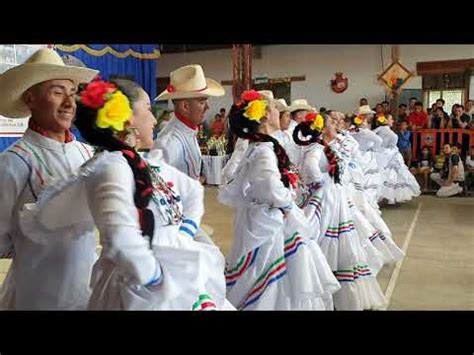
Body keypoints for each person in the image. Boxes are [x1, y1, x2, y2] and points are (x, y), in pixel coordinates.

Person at [20, 78, 234, 310]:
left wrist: (183, 235)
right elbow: (120, 237)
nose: (154, 120)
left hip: (175, 271)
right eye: (148, 110)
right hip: (139, 287)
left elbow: (192, 191)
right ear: (127, 117)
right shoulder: (110, 167)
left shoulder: (147, 162)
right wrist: (154, 277)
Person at [218, 90, 340, 310]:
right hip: (269, 221)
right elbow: (270, 187)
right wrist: (287, 199)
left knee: (272, 275)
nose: (279, 113)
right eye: (275, 108)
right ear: (264, 115)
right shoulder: (263, 149)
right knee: (269, 276)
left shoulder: (263, 145)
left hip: (267, 217)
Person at [0, 48, 99, 310]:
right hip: (37, 293)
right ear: (31, 99)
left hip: (87, 287)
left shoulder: (86, 153)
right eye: (57, 92)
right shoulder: (14, 162)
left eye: (72, 93)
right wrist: (33, 244)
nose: (69, 103)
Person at [293, 112, 386, 310]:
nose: (337, 125)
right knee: (323, 237)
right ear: (322, 128)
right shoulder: (316, 148)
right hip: (327, 198)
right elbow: (308, 168)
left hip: (336, 198)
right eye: (332, 122)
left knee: (338, 241)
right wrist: (321, 182)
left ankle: (334, 287)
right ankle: (324, 285)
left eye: (336, 122)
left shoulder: (330, 146)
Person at [153, 64, 225, 181]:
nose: (207, 107)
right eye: (202, 102)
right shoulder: (170, 144)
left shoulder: (187, 132)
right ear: (185, 106)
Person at [374, 115, 420, 204]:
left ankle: (384, 196)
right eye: (391, 119)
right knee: (392, 175)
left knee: (385, 175)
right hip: (389, 155)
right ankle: (389, 197)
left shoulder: (377, 130)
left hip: (381, 154)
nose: (393, 120)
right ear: (386, 120)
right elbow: (391, 144)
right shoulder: (390, 133)